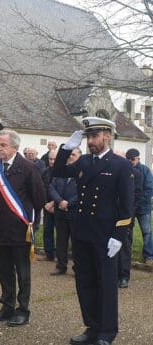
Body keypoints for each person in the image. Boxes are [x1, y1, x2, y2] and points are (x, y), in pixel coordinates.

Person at [52, 117, 134, 345]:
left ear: (107, 136)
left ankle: (107, 333)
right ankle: (92, 327)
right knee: (85, 282)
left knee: (106, 286)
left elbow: (127, 205)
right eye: (88, 137)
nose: (90, 141)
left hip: (106, 237)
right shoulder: (84, 161)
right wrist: (66, 148)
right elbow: (58, 170)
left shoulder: (120, 165)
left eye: (95, 136)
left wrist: (119, 236)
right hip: (82, 232)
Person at [0, 130, 45, 327]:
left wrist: (32, 224)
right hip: (1, 227)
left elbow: (39, 199)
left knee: (22, 271)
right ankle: (7, 305)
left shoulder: (29, 168)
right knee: (3, 270)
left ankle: (23, 309)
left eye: (3, 145)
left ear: (15, 147)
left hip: (21, 228)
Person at [48, 147, 81, 275]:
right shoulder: (61, 170)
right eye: (69, 154)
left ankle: (78, 268)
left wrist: (68, 203)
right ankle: (61, 265)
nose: (70, 156)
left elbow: (83, 191)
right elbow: (51, 187)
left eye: (73, 154)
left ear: (79, 156)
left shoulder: (83, 171)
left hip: (75, 212)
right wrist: (60, 201)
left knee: (77, 242)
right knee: (61, 240)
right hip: (60, 211)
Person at [115, 150, 142, 288]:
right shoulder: (110, 173)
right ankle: (112, 275)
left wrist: (128, 215)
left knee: (124, 247)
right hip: (110, 216)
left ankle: (124, 276)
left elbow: (136, 197)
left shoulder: (135, 174)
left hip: (125, 217)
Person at [125, 148, 153, 265]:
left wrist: (138, 202)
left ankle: (148, 256)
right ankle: (127, 254)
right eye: (129, 159)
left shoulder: (145, 170)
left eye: (133, 159)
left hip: (143, 207)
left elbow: (149, 188)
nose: (131, 161)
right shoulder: (125, 170)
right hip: (129, 207)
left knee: (146, 231)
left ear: (138, 158)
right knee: (127, 231)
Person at [39, 150, 57, 261]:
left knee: (61, 234)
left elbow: (63, 190)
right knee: (47, 231)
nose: (52, 161)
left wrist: (54, 203)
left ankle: (60, 256)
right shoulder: (44, 172)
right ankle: (49, 254)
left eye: (55, 159)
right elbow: (41, 189)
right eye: (50, 159)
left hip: (59, 206)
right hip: (46, 206)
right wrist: (45, 204)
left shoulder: (63, 172)